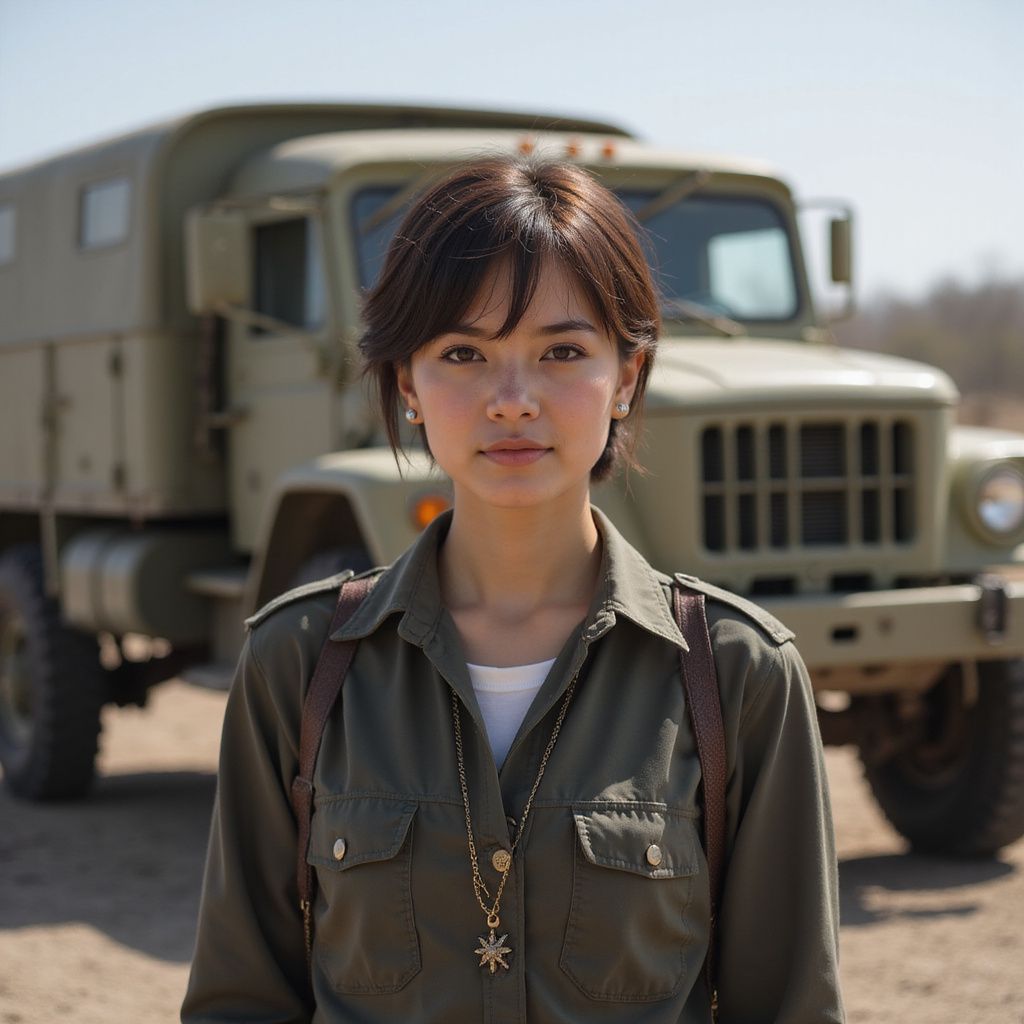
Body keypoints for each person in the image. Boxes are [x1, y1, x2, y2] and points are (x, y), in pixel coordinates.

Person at [181, 157, 845, 1023]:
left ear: (627, 377)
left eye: (563, 351)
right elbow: (240, 1003)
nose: (513, 399)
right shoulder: (300, 665)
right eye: (464, 353)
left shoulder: (736, 675)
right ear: (408, 384)